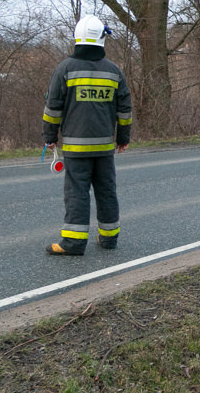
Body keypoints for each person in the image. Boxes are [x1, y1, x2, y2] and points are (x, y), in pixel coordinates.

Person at [42, 16, 132, 256]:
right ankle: (109, 238)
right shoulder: (114, 71)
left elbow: (53, 108)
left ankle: (73, 243)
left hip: (76, 148)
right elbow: (124, 109)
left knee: (77, 193)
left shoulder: (64, 69)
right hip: (104, 148)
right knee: (106, 191)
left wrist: (49, 136)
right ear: (102, 38)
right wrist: (123, 137)